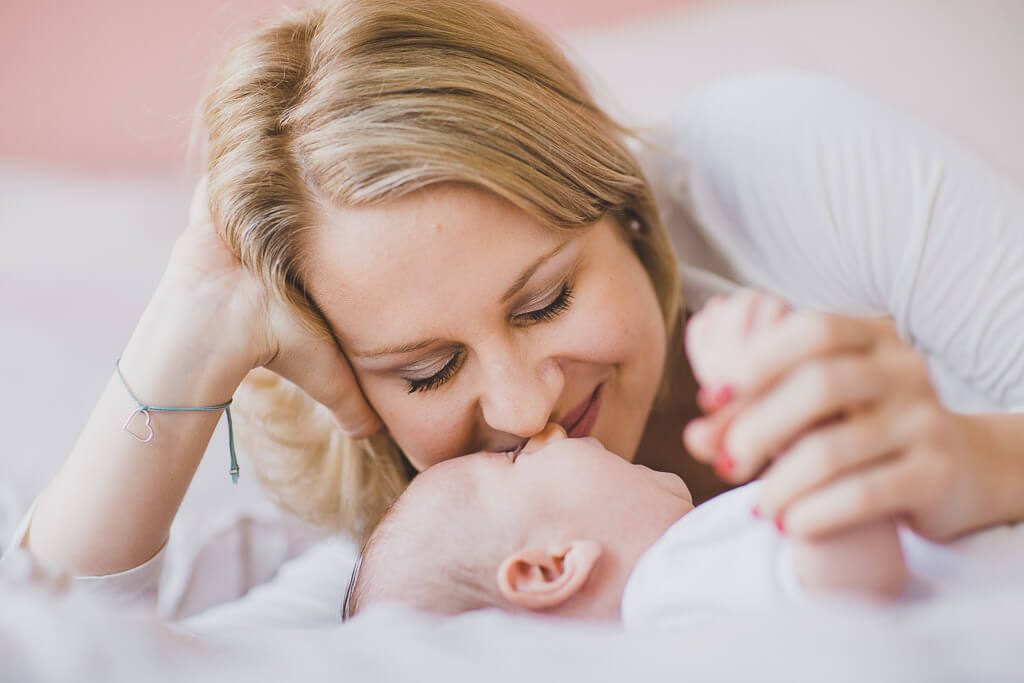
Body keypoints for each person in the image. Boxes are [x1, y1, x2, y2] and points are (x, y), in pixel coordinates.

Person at [9, 0, 1024, 628]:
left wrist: (972, 464)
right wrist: (187, 334)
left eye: (545, 298)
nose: (523, 399)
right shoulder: (362, 479)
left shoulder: (784, 168)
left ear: (621, 199)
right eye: (426, 368)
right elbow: (66, 633)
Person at [344, 424, 1024, 625]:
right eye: (516, 455)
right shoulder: (674, 580)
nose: (542, 427)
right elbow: (850, 587)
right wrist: (817, 437)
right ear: (551, 566)